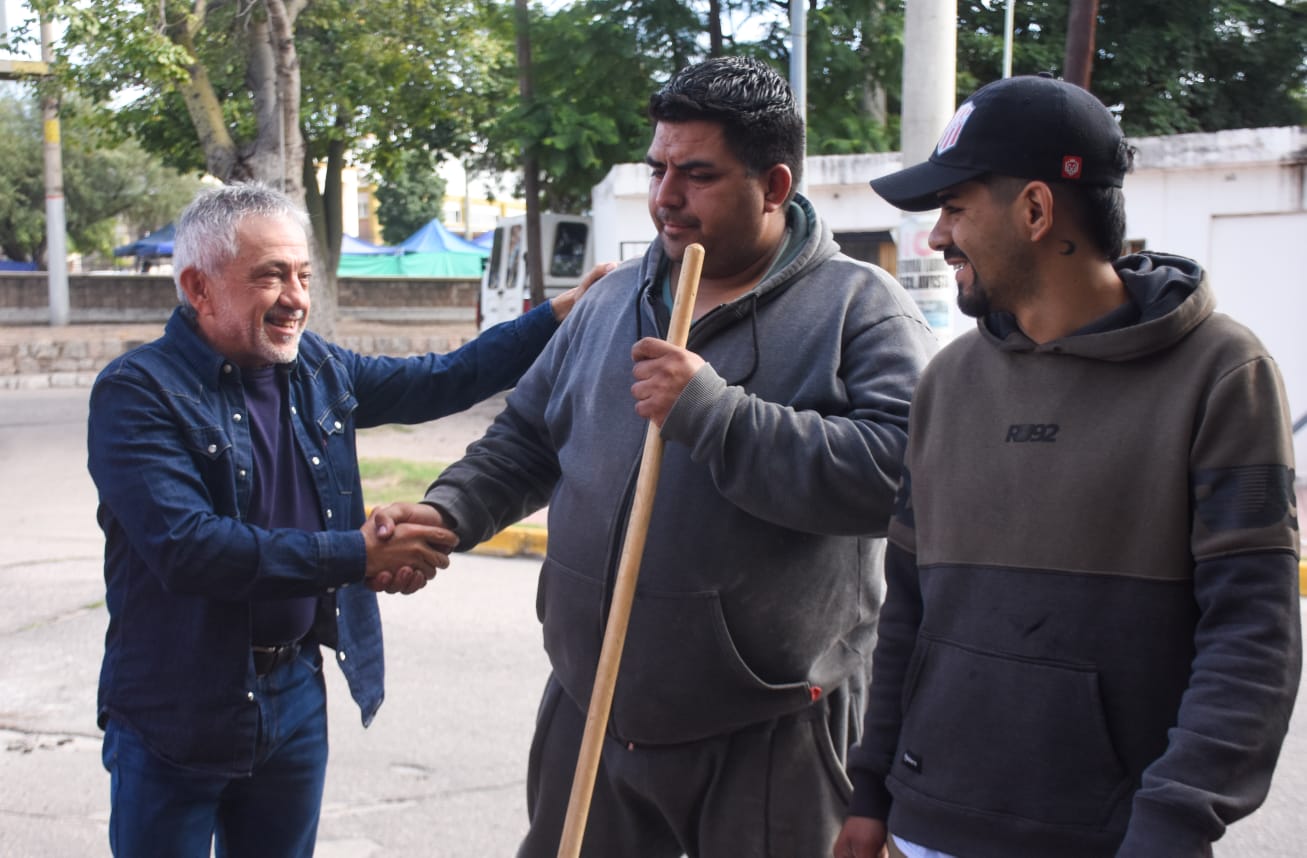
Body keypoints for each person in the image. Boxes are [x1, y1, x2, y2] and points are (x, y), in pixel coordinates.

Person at [374, 56, 937, 857]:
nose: (666, 196)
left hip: (772, 725)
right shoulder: (610, 301)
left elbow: (898, 477)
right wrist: (445, 513)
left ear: (773, 186)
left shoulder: (859, 307)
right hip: (593, 707)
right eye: (658, 169)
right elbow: (526, 439)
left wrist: (712, 412)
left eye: (697, 175)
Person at [835, 74, 1302, 858]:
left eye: (953, 207)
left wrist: (1173, 824)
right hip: (924, 828)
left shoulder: (1221, 373)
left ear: (1034, 210)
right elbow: (907, 607)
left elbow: (1252, 635)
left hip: (1115, 840)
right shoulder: (947, 384)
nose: (937, 237)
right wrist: (872, 790)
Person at [86, 182, 601, 857]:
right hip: (177, 705)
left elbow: (441, 379)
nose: (296, 298)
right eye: (270, 276)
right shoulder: (138, 392)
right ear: (198, 287)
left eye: (303, 275)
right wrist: (359, 555)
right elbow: (191, 549)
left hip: (294, 693)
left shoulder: (317, 368)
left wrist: (559, 315)